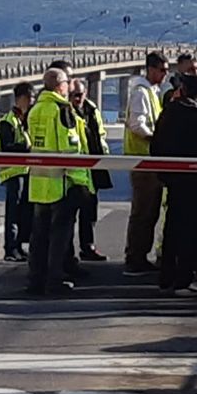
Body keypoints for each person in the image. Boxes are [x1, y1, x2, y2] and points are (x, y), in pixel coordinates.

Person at [26, 68, 91, 296]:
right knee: (59, 237)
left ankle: (35, 280)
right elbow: (71, 147)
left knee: (39, 236)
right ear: (59, 86)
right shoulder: (62, 110)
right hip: (61, 183)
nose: (69, 87)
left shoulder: (35, 110)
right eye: (66, 83)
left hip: (39, 183)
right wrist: (80, 182)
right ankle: (54, 280)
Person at [151, 73, 197, 296]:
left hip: (173, 180)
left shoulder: (168, 111)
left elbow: (156, 146)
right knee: (191, 232)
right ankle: (185, 279)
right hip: (195, 184)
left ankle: (166, 277)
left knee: (172, 227)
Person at [123, 51, 169, 276]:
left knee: (149, 212)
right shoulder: (141, 93)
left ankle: (140, 254)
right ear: (151, 69)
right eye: (162, 70)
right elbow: (137, 125)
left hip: (150, 161)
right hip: (143, 161)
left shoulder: (152, 92)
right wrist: (155, 137)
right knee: (143, 212)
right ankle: (135, 257)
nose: (165, 74)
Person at [70, 77, 111, 262]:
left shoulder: (91, 109)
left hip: (93, 167)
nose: (77, 99)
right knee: (70, 215)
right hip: (75, 170)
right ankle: (68, 254)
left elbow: (99, 135)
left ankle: (88, 247)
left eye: (80, 95)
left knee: (90, 210)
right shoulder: (65, 111)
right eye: (73, 95)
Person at [0, 81, 35, 262]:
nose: (32, 102)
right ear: (20, 99)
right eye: (29, 98)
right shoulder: (8, 122)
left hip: (26, 171)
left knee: (24, 211)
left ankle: (18, 246)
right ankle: (10, 249)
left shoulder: (25, 120)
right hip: (12, 172)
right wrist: (27, 147)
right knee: (13, 212)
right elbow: (7, 148)